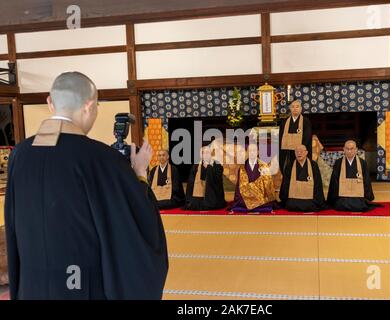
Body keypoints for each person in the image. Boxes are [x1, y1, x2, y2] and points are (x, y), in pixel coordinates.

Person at [4, 72, 168, 300]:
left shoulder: (19, 155)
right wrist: (139, 174)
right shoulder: (101, 159)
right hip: (81, 286)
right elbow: (135, 226)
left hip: (32, 287)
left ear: (50, 103)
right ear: (89, 106)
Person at [327, 140, 379, 212]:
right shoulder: (338, 162)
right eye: (347, 149)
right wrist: (334, 198)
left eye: (351, 149)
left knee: (360, 206)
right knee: (340, 205)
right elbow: (334, 182)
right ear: (344, 149)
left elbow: (366, 181)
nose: (349, 151)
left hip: (358, 197)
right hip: (343, 197)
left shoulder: (362, 163)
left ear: (356, 150)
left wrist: (367, 197)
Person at [279, 145, 327, 212]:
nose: (299, 153)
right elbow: (285, 185)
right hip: (293, 200)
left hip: (310, 200)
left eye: (301, 151)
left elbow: (317, 185)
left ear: (306, 152)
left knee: (312, 205)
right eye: (297, 151)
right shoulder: (289, 166)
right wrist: (285, 199)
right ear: (294, 153)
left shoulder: (313, 165)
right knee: (290, 204)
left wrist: (317, 200)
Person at [230, 143, 276, 213]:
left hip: (259, 195)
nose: (252, 152)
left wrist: (256, 193)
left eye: (254, 150)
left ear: (258, 152)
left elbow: (267, 185)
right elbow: (239, 186)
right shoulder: (242, 167)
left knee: (265, 201)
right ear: (247, 152)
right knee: (241, 201)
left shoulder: (264, 166)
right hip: (246, 196)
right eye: (250, 150)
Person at [184, 145, 226, 211]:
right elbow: (190, 184)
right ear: (201, 155)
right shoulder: (196, 166)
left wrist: (209, 168)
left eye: (207, 152)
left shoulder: (217, 165)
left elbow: (218, 180)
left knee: (211, 204)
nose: (205, 155)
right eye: (203, 153)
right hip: (198, 195)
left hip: (213, 195)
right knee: (194, 204)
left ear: (211, 154)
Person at [279, 100, 313, 174]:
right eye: (293, 107)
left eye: (297, 107)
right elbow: (281, 138)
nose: (295, 109)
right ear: (290, 109)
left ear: (301, 109)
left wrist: (300, 148)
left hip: (299, 151)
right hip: (287, 151)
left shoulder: (305, 121)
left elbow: (307, 137)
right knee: (288, 169)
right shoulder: (284, 122)